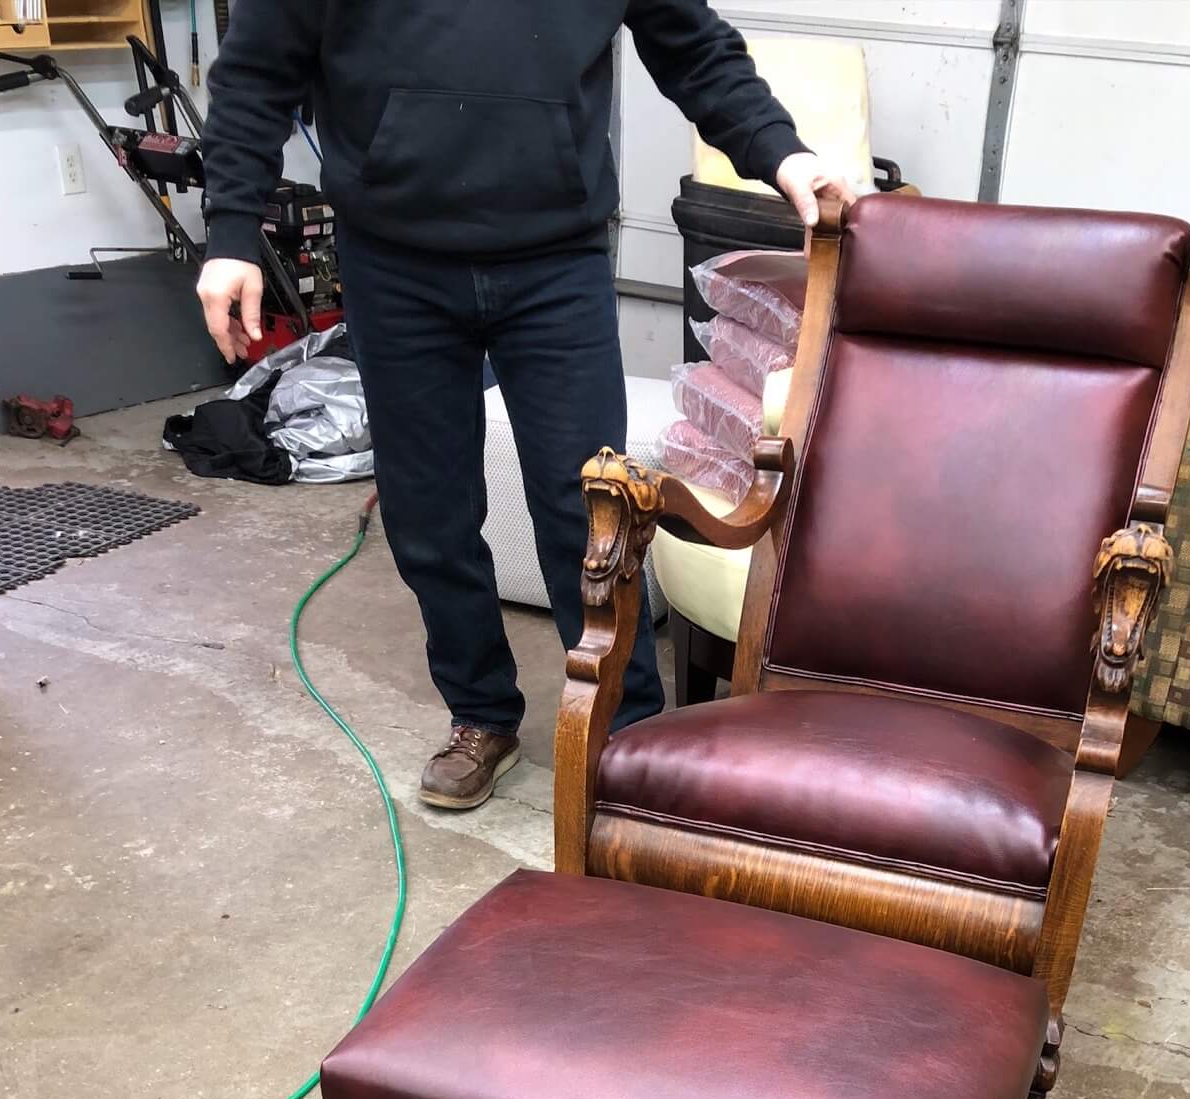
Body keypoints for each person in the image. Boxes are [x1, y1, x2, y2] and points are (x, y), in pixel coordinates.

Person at [199, 3, 854, 810]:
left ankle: (623, 730)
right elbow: (255, 73)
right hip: (394, 263)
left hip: (555, 261)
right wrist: (231, 232)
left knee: (592, 508)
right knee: (428, 514)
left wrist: (781, 152)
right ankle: (480, 714)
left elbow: (693, 48)